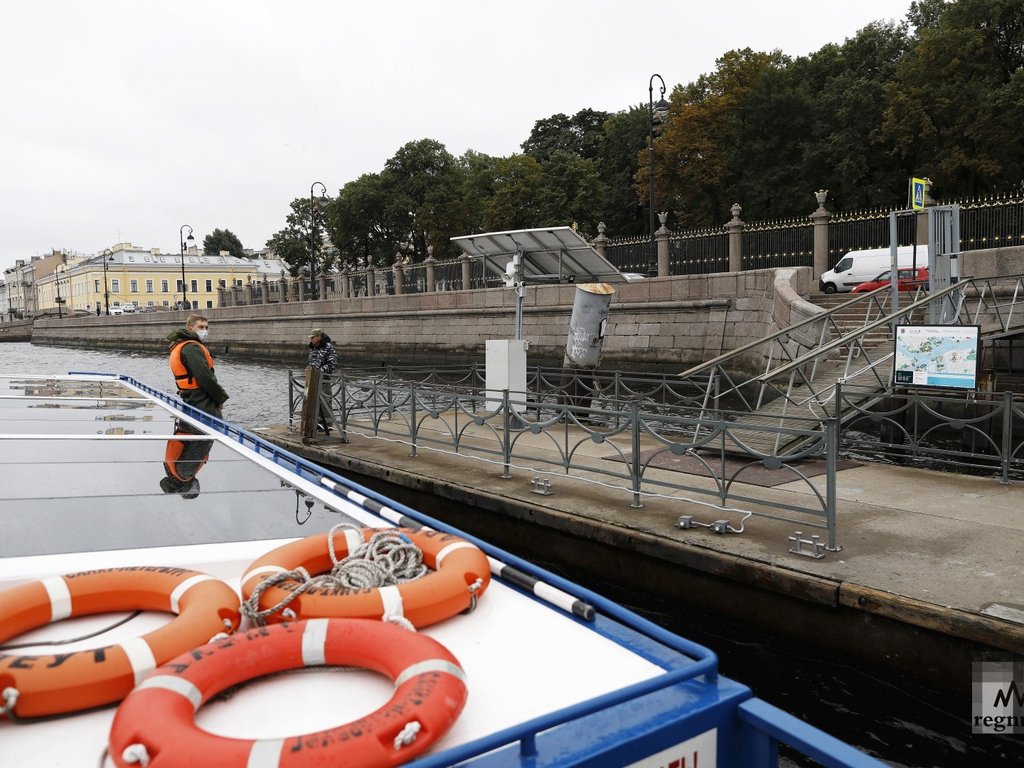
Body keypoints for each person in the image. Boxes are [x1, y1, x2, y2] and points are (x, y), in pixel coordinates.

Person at [166, 314, 229, 418]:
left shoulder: (181, 344)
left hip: (189, 395)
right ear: (190, 328)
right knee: (212, 427)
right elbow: (205, 376)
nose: (204, 330)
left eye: (206, 327)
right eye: (200, 327)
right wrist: (220, 398)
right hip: (200, 398)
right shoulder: (192, 348)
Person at [159, 419, 213, 499]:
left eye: (194, 489)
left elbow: (203, 443)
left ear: (186, 489)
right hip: (187, 426)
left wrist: (215, 435)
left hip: (196, 427)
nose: (197, 486)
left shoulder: (184, 473)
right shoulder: (172, 471)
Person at [307, 327, 338, 434]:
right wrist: (309, 368)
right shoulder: (313, 347)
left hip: (324, 380)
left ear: (319, 337)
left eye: (313, 337)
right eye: (311, 337)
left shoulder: (328, 347)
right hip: (313, 379)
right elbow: (312, 361)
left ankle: (328, 425)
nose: (311, 339)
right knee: (316, 403)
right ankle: (319, 424)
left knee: (325, 402)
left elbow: (332, 364)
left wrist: (319, 371)